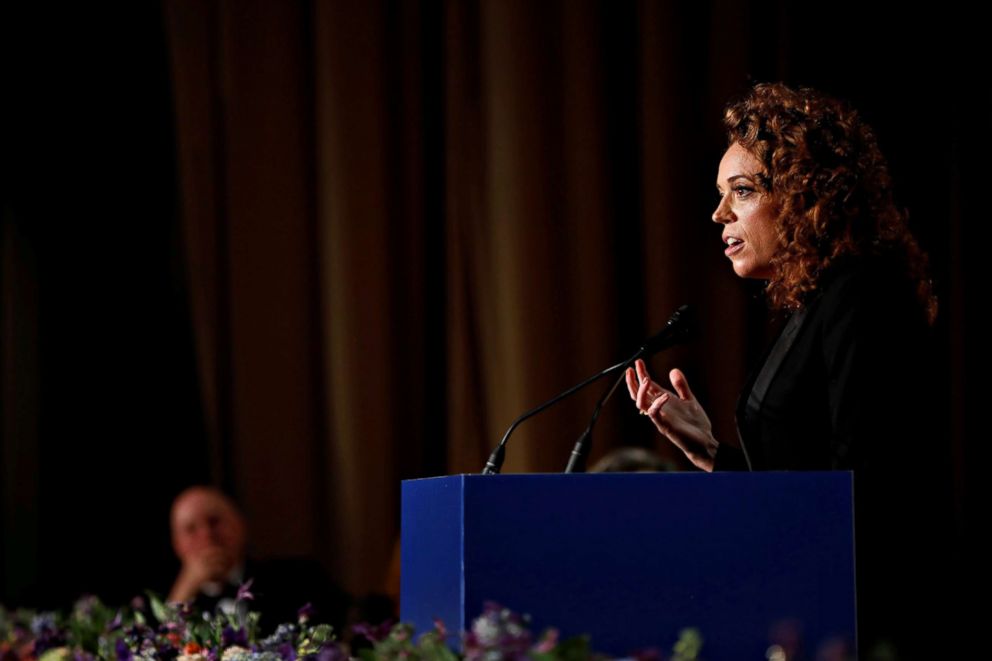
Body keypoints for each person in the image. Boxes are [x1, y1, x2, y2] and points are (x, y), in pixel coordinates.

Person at [626, 82, 948, 658]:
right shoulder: (819, 301)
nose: (719, 213)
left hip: (860, 623)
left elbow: (860, 496)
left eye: (742, 192)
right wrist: (709, 452)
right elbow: (799, 486)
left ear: (805, 195)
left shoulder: (862, 296)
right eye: (722, 194)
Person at [168, 486, 352, 634]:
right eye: (190, 529)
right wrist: (183, 592)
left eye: (214, 521)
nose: (207, 535)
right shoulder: (167, 600)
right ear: (177, 545)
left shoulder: (299, 577)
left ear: (239, 524)